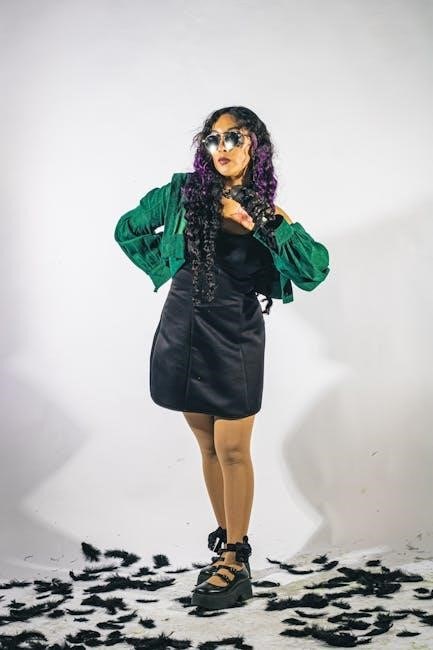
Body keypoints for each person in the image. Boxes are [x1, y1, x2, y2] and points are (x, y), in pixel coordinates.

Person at [114, 106, 330, 610]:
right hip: (181, 326)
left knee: (233, 448)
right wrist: (167, 260)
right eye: (213, 139)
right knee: (208, 446)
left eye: (234, 137)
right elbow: (127, 230)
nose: (222, 147)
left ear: (255, 144)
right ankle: (224, 547)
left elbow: (315, 270)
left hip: (234, 332)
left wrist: (269, 226)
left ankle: (237, 558)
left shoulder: (268, 212)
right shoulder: (180, 194)